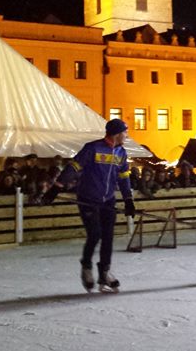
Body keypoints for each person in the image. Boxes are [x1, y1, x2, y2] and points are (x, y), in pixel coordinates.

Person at [43, 118, 136, 292]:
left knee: (108, 237)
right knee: (95, 234)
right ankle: (86, 266)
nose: (126, 135)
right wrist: (57, 187)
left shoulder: (121, 153)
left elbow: (124, 178)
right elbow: (73, 168)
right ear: (116, 133)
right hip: (88, 199)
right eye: (125, 132)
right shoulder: (92, 148)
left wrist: (128, 199)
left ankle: (104, 273)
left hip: (108, 200)